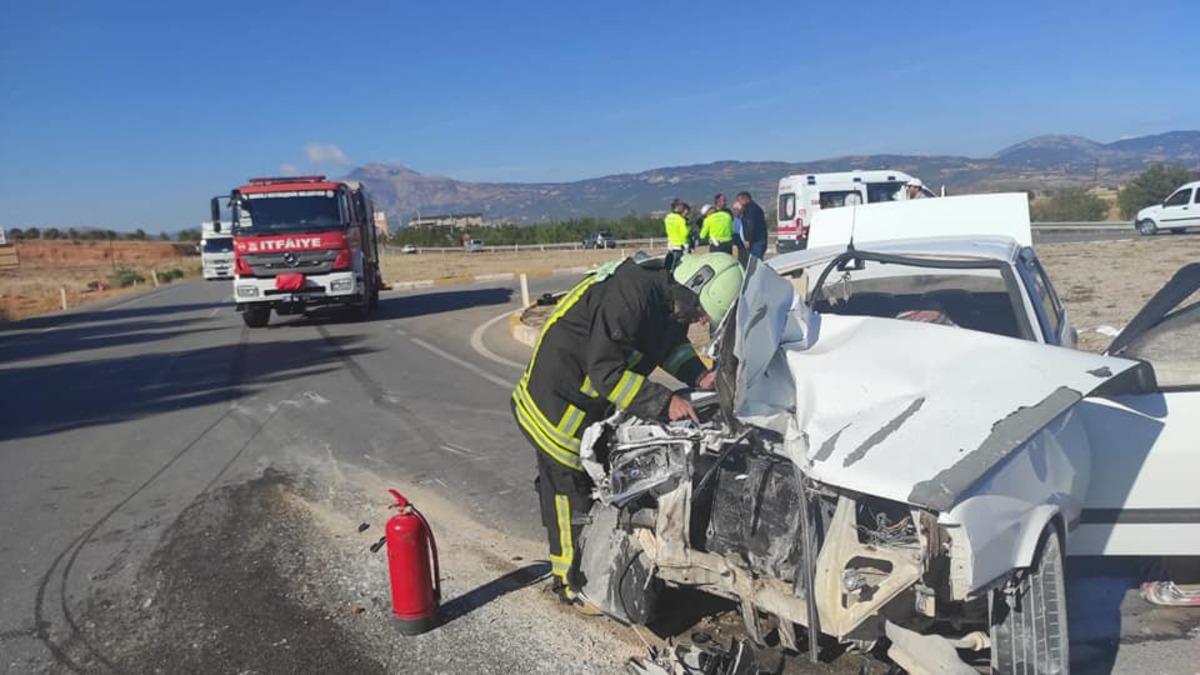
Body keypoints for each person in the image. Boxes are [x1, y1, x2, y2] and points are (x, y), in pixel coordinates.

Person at [511, 253, 744, 608]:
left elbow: (667, 344)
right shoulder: (630, 297)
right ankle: (569, 581)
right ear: (693, 287)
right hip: (556, 404)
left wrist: (699, 374)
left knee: (594, 486)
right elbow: (606, 371)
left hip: (584, 405)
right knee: (567, 492)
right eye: (699, 313)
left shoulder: (665, 296)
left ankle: (593, 560)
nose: (698, 320)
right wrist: (664, 403)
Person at [735, 191, 768, 260]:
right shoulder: (749, 208)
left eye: (739, 200)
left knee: (755, 261)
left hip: (757, 240)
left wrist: (747, 239)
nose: (739, 203)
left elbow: (751, 225)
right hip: (756, 240)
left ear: (745, 199)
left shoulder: (751, 209)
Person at [663, 198, 690, 270]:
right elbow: (685, 233)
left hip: (671, 245)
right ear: (677, 207)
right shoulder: (680, 219)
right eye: (682, 206)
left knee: (671, 267)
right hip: (680, 246)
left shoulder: (667, 217)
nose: (683, 208)